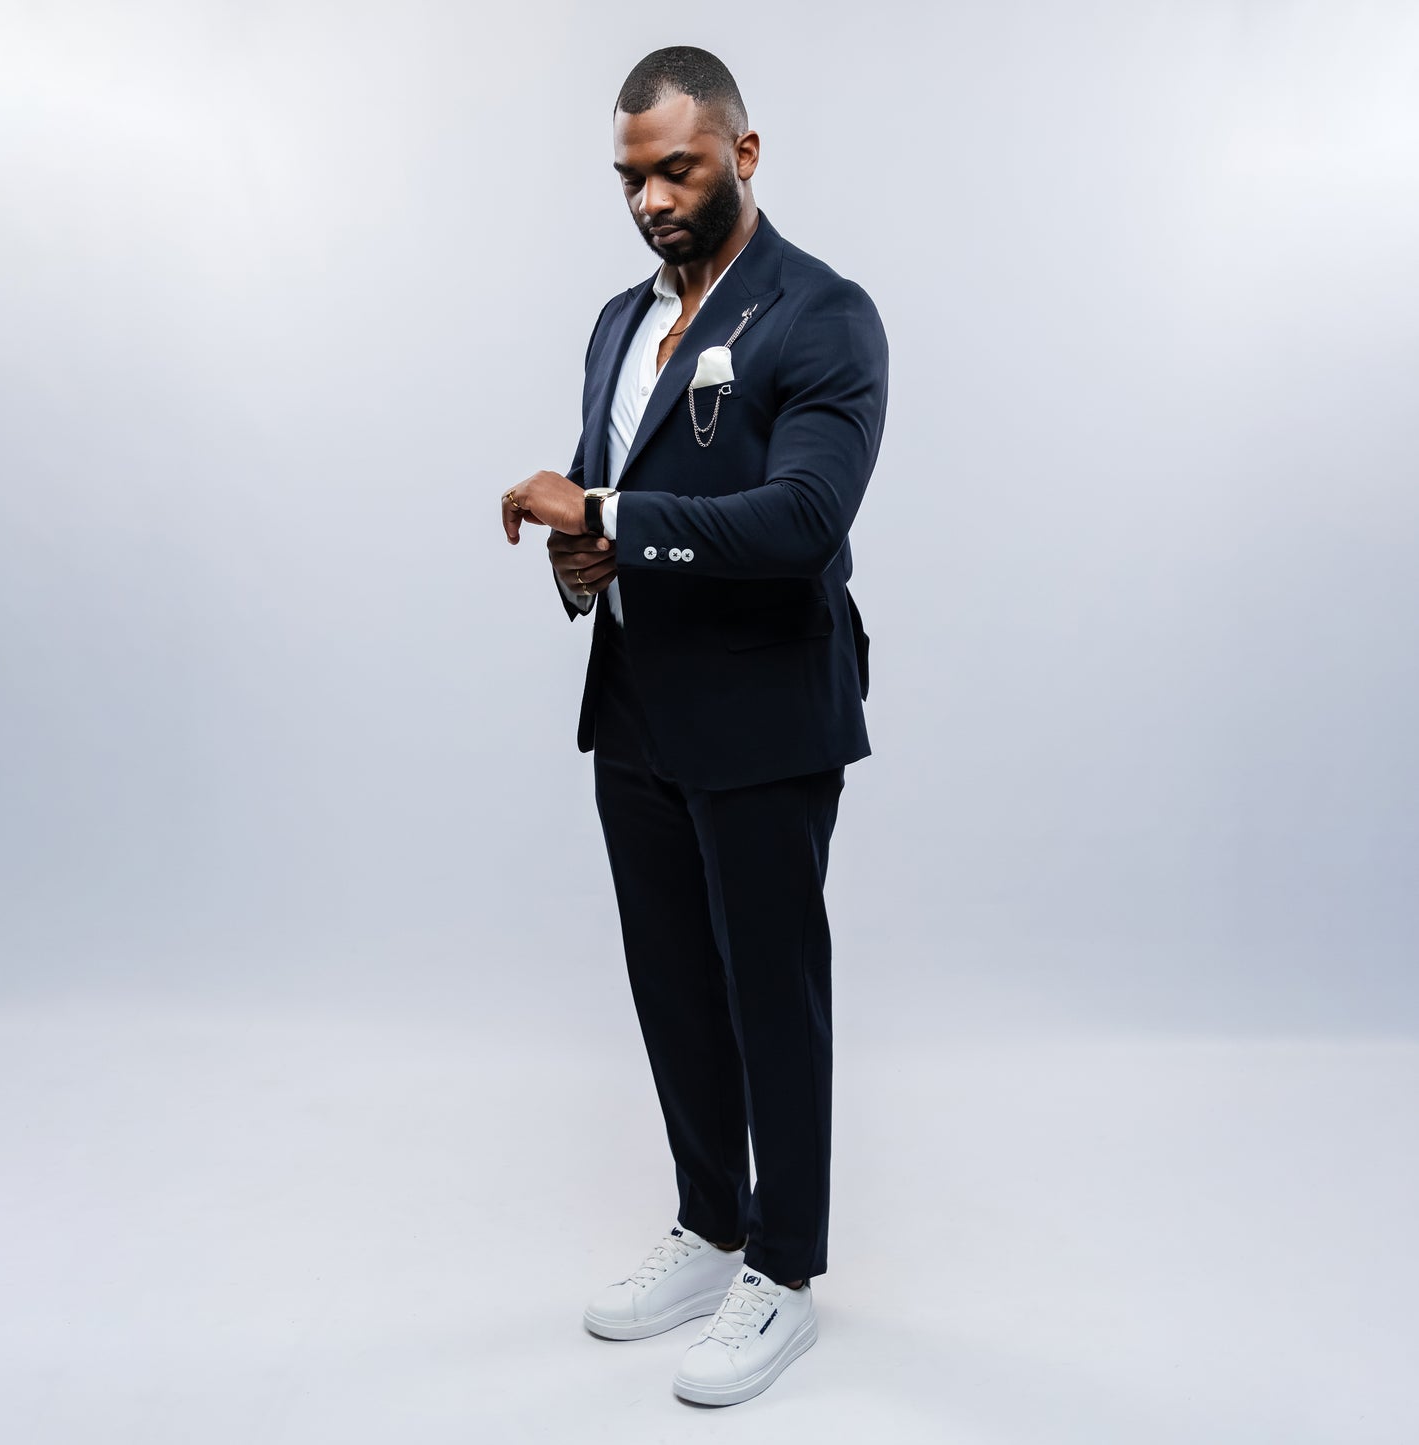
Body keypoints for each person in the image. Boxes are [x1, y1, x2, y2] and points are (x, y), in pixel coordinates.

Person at [500, 45, 888, 1407]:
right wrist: (579, 559)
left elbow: (802, 520)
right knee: (671, 984)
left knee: (769, 992)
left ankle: (781, 1270)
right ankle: (711, 1223)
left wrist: (605, 515)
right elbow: (606, 493)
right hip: (636, 710)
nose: (653, 199)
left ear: (743, 153)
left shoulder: (823, 314)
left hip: (767, 712)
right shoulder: (618, 322)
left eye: (678, 168)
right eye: (631, 178)